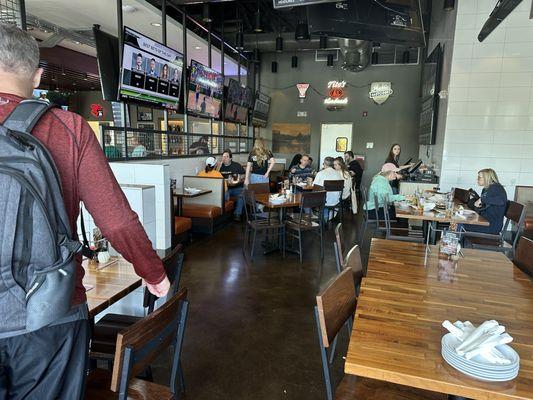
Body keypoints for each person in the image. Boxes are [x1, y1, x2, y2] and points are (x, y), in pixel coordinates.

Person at [0, 24, 169, 399]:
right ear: (38, 75)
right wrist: (153, 272)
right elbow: (116, 219)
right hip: (49, 313)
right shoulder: (68, 128)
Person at [463, 169, 508, 234]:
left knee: (460, 225)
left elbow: (501, 201)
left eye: (479, 177)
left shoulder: (496, 188)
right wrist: (474, 199)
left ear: (487, 178)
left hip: (491, 226)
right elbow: (483, 205)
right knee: (462, 222)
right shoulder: (486, 189)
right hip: (485, 221)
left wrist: (481, 199)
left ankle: (457, 243)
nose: (477, 179)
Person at [218, 149, 246, 221]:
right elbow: (215, 176)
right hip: (226, 188)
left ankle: (237, 214)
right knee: (220, 196)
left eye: (226, 157)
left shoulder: (236, 165)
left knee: (241, 195)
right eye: (223, 157)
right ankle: (222, 216)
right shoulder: (219, 166)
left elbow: (244, 175)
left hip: (237, 187)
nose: (224, 158)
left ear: (230, 158)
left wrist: (238, 178)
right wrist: (218, 167)